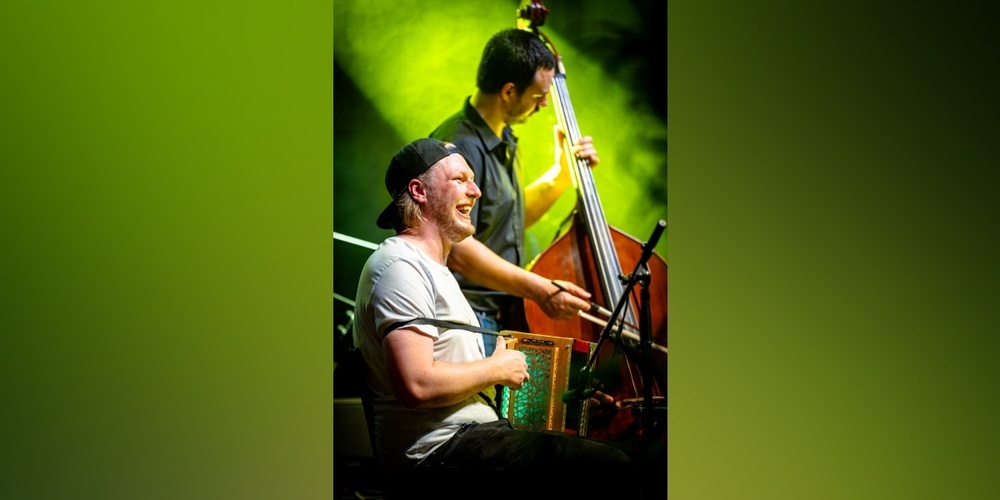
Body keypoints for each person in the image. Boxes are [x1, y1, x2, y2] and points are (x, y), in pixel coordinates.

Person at [353, 138, 638, 498]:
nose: (475, 191)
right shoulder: (399, 266)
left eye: (473, 180)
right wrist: (497, 368)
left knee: (614, 453)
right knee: (611, 467)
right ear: (419, 191)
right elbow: (416, 384)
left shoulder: (435, 271)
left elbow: (464, 389)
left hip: (472, 439)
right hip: (435, 455)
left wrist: (560, 404)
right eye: (460, 179)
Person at [429, 28, 599, 355]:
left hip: (496, 317)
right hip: (467, 318)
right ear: (509, 91)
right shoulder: (458, 147)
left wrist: (563, 173)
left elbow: (509, 218)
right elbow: (458, 248)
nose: (545, 104)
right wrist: (540, 289)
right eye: (537, 96)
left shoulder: (503, 137)